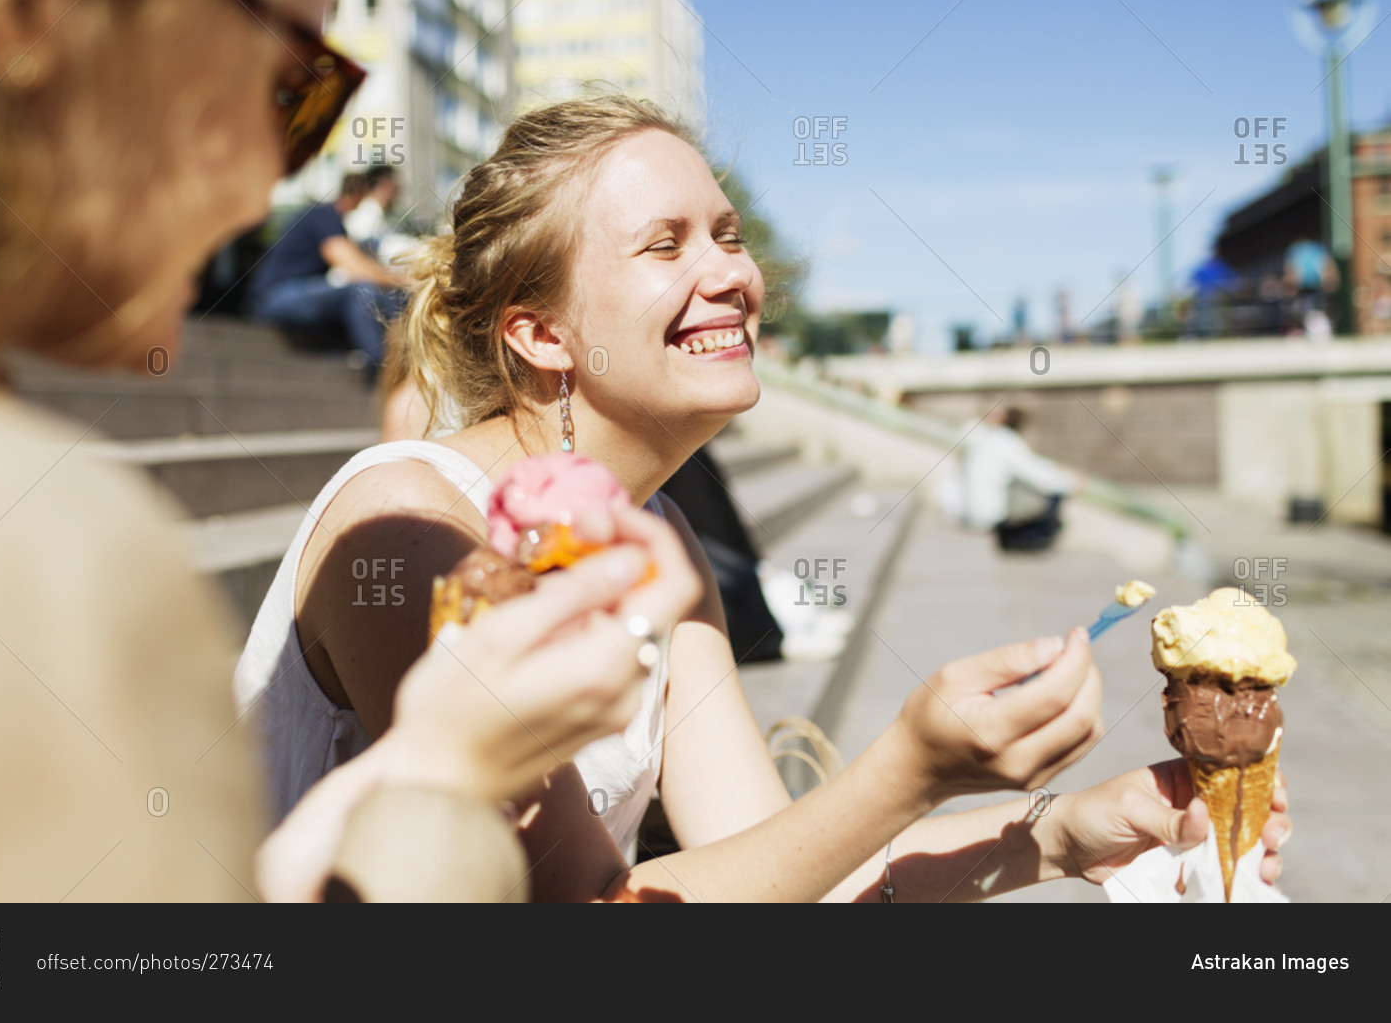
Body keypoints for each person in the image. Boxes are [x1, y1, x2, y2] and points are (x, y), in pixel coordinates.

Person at [239, 96, 1292, 901]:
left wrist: (1067, 828)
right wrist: (912, 766)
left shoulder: (662, 536)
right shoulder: (410, 529)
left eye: (728, 234)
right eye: (666, 244)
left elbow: (786, 866)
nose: (732, 275)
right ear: (542, 333)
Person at [0, 0, 698, 903]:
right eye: (291, 87)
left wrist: (440, 756)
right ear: (35, 18)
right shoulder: (10, 528)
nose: (277, 173)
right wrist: (444, 782)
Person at [248, 171, 412, 369]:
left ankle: (397, 359)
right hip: (273, 297)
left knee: (378, 294)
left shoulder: (331, 220)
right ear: (359, 194)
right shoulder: (324, 216)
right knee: (361, 290)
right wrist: (406, 281)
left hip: (292, 293)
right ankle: (382, 367)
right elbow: (354, 267)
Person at [947, 404, 1079, 552]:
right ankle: (1030, 540)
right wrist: (1071, 481)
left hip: (965, 512)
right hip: (990, 515)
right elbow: (1039, 476)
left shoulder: (978, 438)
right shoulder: (1006, 441)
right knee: (1055, 493)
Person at [343, 164, 421, 265]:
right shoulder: (362, 218)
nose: (399, 188)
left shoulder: (390, 214)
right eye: (394, 182)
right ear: (384, 185)